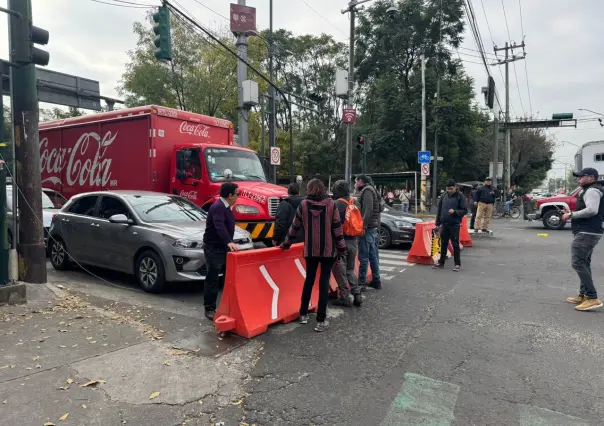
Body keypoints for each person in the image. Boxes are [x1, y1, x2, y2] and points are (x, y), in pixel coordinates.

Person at [281, 179, 346, 332]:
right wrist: (342, 249)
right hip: (328, 251)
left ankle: (303, 313)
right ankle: (321, 320)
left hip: (310, 250)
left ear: (309, 189)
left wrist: (286, 244)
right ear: (323, 189)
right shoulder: (331, 204)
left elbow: (294, 227)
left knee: (309, 280)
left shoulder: (303, 205)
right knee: (324, 283)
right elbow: (337, 229)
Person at [563, 168, 604, 311]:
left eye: (581, 177)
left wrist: (572, 215)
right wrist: (571, 213)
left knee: (578, 263)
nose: (577, 179)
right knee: (584, 263)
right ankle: (584, 295)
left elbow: (592, 210)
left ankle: (592, 297)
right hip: (589, 231)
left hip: (587, 232)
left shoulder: (592, 190)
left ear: (591, 178)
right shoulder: (591, 189)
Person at [202, 183, 240, 320]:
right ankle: (209, 308)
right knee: (212, 278)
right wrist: (228, 242)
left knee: (226, 277)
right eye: (237, 193)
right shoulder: (218, 207)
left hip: (223, 247)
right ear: (230, 195)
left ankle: (226, 306)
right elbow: (219, 227)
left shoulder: (227, 207)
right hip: (214, 247)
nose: (238, 196)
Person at [331, 180, 362, 307]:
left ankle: (344, 297)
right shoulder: (355, 202)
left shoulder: (337, 204)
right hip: (354, 241)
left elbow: (332, 223)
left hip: (341, 242)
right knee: (350, 269)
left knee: (340, 270)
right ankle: (357, 293)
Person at [433, 179, 467, 271]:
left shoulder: (460, 196)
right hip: (444, 224)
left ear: (455, 187)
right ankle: (441, 263)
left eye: (451, 188)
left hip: (454, 224)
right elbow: (439, 211)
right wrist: (437, 224)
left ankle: (457, 264)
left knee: (455, 244)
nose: (449, 190)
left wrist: (455, 212)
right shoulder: (444, 196)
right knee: (443, 244)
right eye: (448, 189)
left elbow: (464, 210)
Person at [355, 174, 382, 291]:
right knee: (372, 255)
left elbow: (368, 209)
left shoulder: (367, 191)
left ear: (361, 181)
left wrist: (363, 226)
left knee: (364, 256)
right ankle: (376, 280)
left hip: (368, 227)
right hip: (372, 227)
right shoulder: (372, 190)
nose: (355, 184)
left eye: (356, 181)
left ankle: (361, 283)